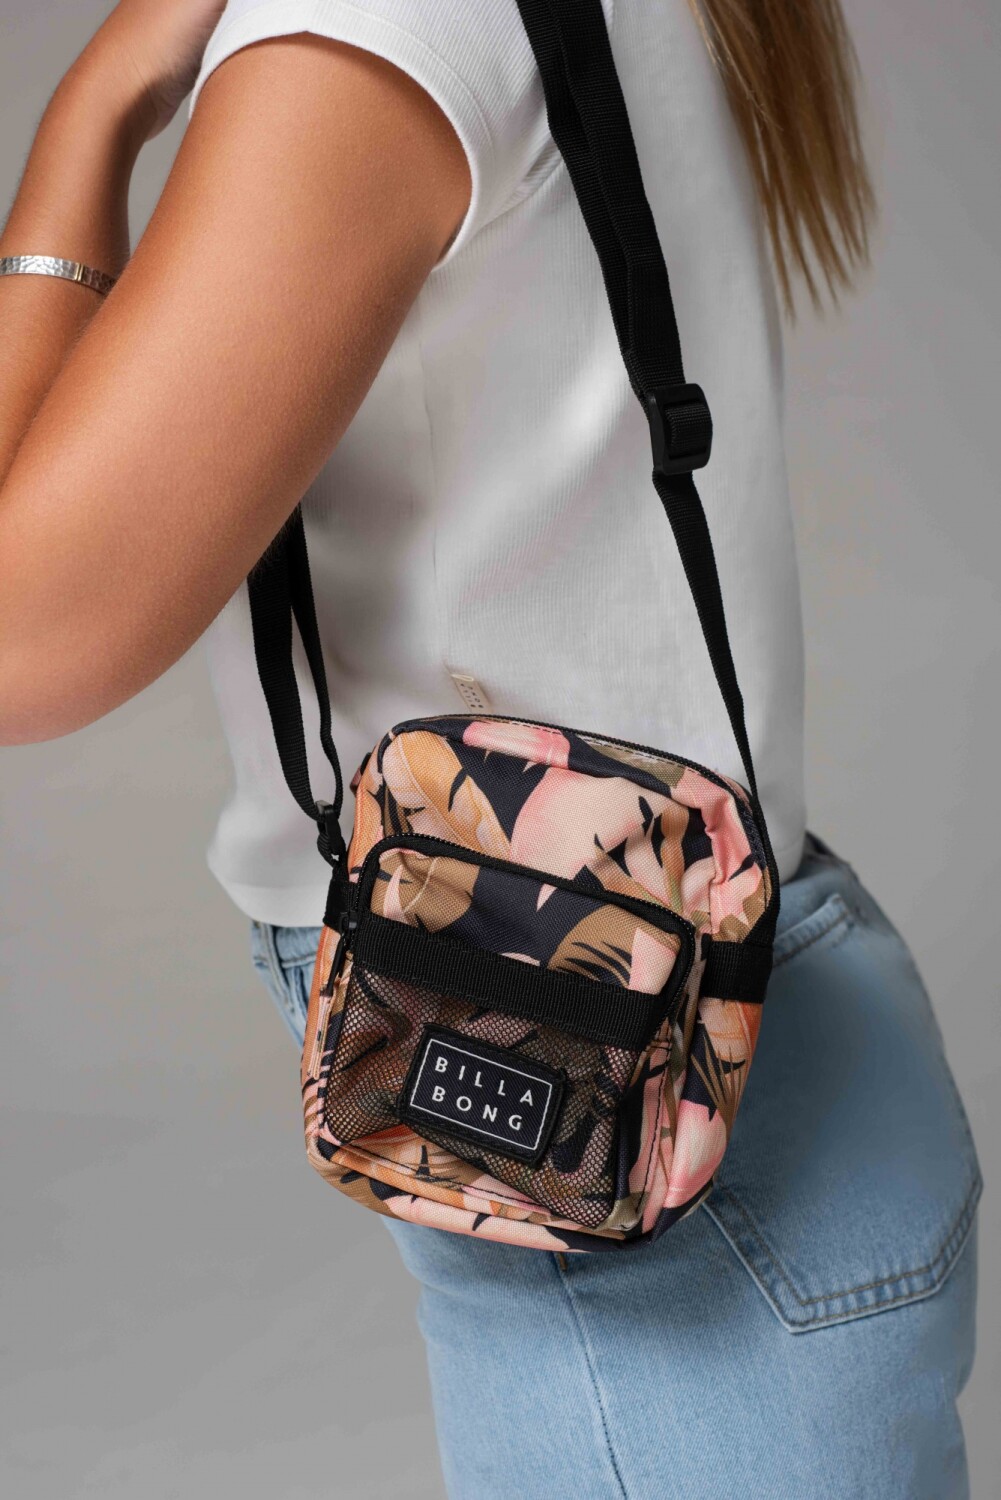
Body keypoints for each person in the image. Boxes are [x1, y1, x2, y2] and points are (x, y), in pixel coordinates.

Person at [0, 1, 981, 1495]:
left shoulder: (368, 28)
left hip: (644, 1178)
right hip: (744, 1069)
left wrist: (92, 113)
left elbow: (23, 644)